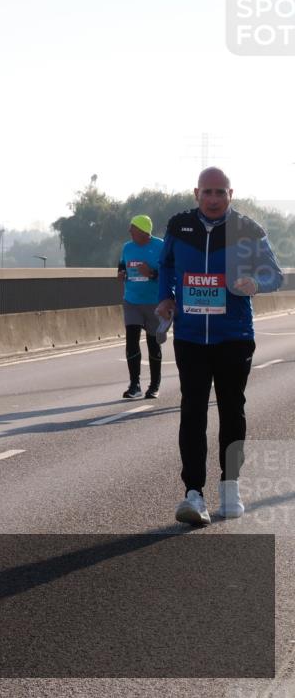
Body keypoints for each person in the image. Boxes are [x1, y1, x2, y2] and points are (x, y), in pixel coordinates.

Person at [156, 168, 284, 525]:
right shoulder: (179, 226)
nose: (213, 198)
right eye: (207, 192)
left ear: (231, 194)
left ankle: (231, 486)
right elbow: (165, 265)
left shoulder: (249, 230)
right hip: (191, 337)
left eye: (220, 192)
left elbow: (275, 274)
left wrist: (254, 282)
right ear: (196, 193)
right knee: (192, 412)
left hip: (234, 336)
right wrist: (165, 297)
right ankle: (193, 493)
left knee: (232, 411)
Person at [116, 215, 165, 399]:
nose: (129, 230)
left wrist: (151, 273)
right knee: (131, 340)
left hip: (154, 302)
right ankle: (134, 385)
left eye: (133, 228)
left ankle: (154, 385)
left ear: (144, 230)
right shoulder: (127, 247)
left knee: (153, 343)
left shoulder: (160, 246)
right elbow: (122, 264)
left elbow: (171, 272)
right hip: (132, 301)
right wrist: (121, 273)